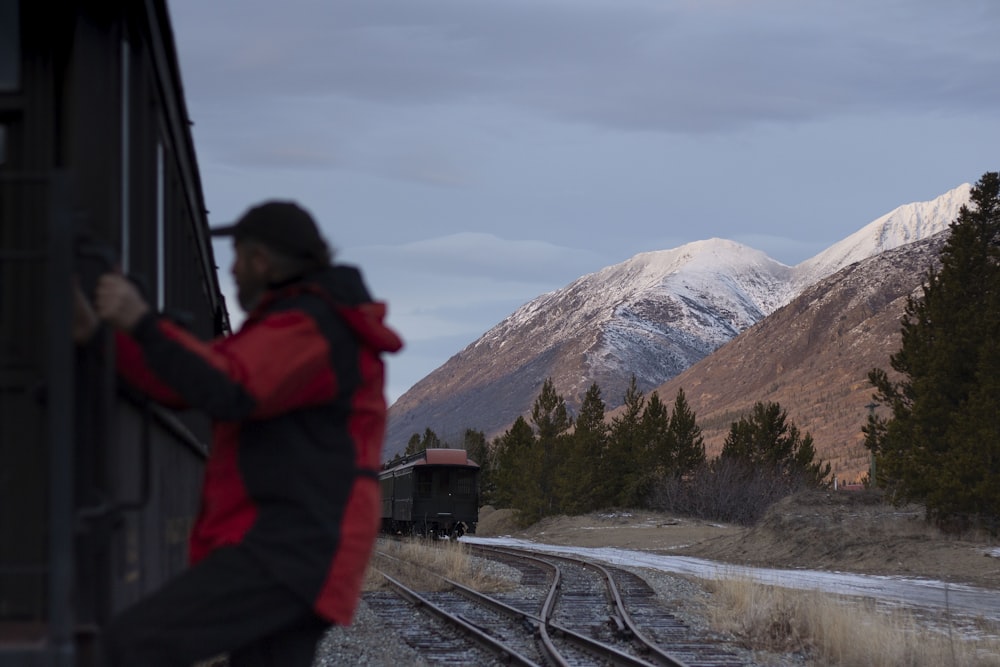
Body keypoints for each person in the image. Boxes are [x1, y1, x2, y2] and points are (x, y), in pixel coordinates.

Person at [78, 200, 403, 666]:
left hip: (287, 548)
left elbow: (226, 385)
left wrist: (141, 321)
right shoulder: (296, 324)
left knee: (130, 646)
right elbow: (188, 380)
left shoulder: (311, 327)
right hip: (301, 546)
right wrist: (100, 339)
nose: (231, 270)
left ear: (260, 260)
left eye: (237, 258)